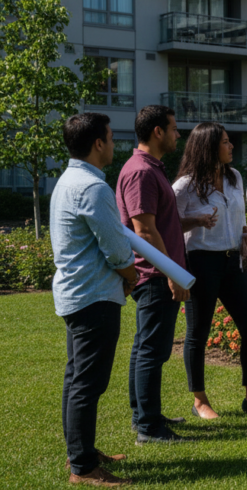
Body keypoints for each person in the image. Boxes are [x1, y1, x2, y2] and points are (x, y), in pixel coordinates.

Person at [51, 113, 138, 487]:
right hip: (94, 295)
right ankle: (83, 466)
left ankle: (81, 450)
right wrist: (132, 276)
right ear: (98, 143)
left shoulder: (69, 179)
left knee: (77, 379)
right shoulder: (94, 188)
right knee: (88, 382)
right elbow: (116, 250)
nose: (114, 144)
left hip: (78, 293)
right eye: (111, 137)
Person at [172, 123, 247, 417]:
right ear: (209, 147)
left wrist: (243, 234)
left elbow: (238, 212)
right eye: (226, 142)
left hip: (231, 262)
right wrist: (196, 220)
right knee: (198, 332)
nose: (231, 147)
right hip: (201, 262)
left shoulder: (235, 177)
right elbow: (170, 225)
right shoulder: (185, 186)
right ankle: (200, 401)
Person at [116, 105, 190, 444]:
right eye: (174, 128)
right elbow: (144, 230)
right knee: (151, 350)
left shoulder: (150, 169)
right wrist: (172, 273)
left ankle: (145, 415)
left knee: (146, 348)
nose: (178, 135)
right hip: (155, 275)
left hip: (156, 273)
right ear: (158, 131)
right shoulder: (141, 172)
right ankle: (148, 427)